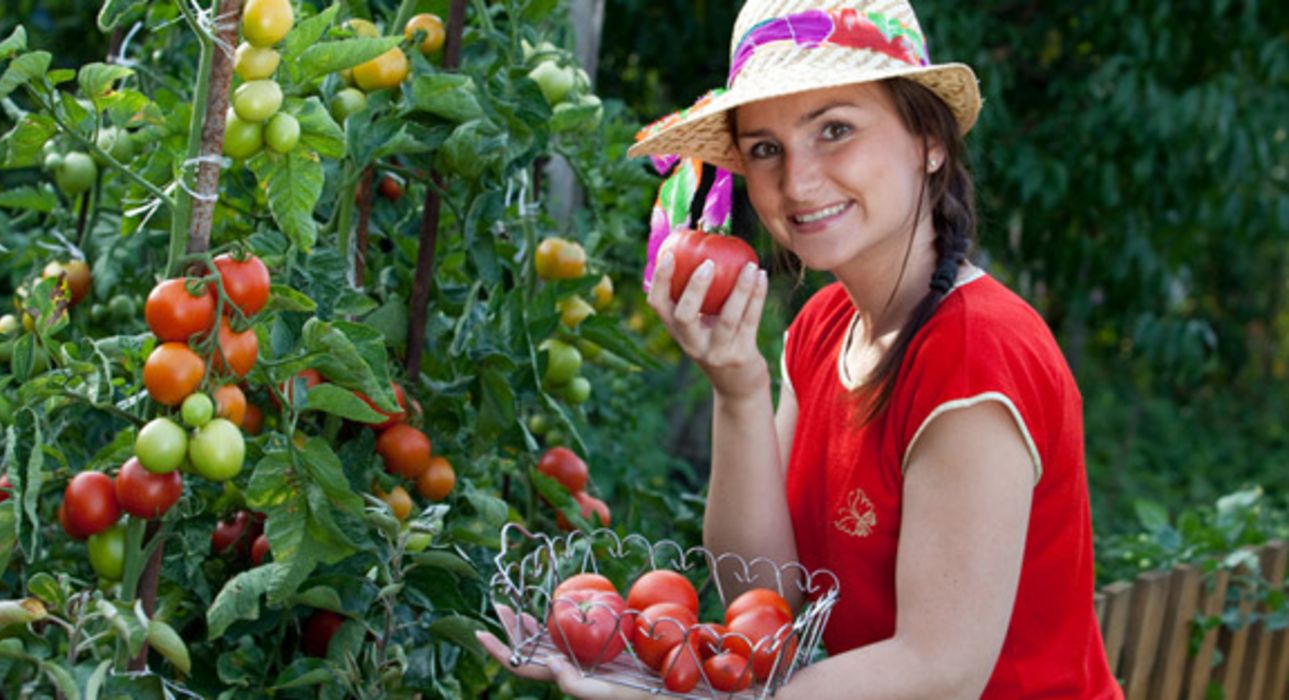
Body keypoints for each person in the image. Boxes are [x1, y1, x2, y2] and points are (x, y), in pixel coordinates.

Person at [479, 0, 1123, 696]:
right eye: (764, 149)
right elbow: (766, 601)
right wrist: (737, 390)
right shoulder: (823, 327)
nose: (796, 180)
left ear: (928, 141)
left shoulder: (975, 352)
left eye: (834, 130)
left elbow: (940, 670)